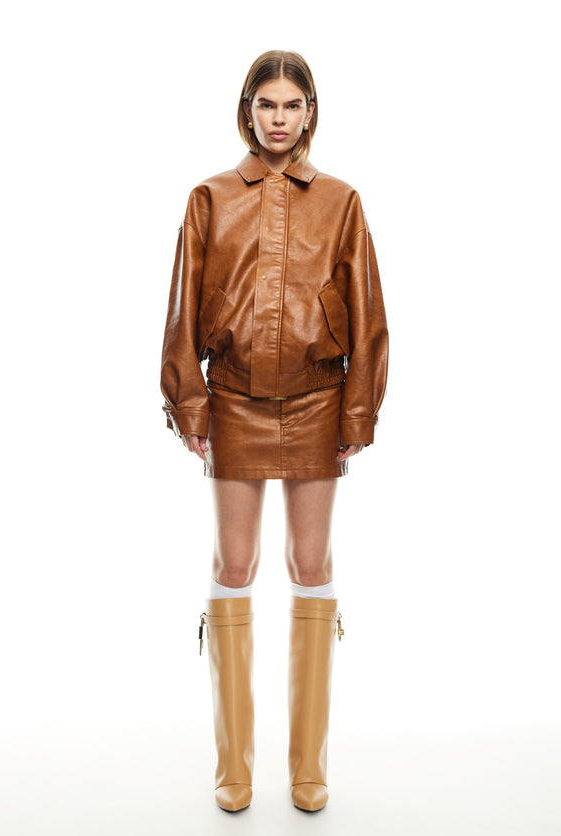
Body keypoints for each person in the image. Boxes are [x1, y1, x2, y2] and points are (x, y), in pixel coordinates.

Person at [160, 50, 388, 813]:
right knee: (234, 565)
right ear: (247, 110)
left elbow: (368, 312)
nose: (279, 118)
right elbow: (181, 307)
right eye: (267, 104)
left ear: (310, 111)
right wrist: (189, 405)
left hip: (319, 398)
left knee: (310, 561)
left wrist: (357, 410)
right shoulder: (209, 197)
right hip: (231, 397)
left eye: (292, 104)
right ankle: (234, 765)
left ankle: (308, 767)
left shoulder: (343, 201)